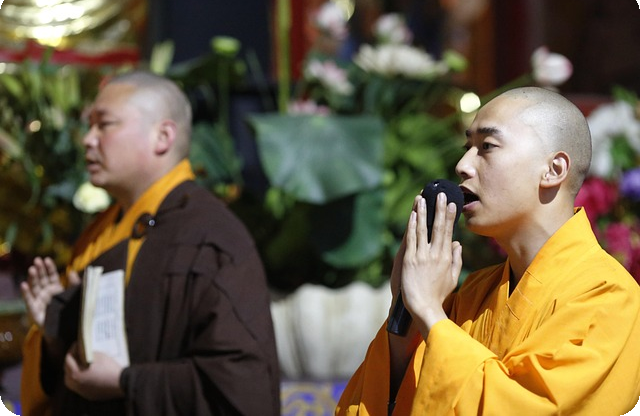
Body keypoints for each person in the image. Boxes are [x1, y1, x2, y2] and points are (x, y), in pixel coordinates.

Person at [336, 86, 640, 415]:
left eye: (487, 146)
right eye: (467, 147)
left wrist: (429, 311)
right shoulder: (474, 294)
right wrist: (406, 314)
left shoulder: (609, 298)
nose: (462, 165)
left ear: (553, 169)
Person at [19, 70, 281, 415]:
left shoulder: (209, 236)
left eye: (104, 125)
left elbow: (240, 386)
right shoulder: (100, 233)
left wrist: (126, 382)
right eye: (89, 126)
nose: (87, 139)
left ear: (163, 136)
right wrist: (57, 330)